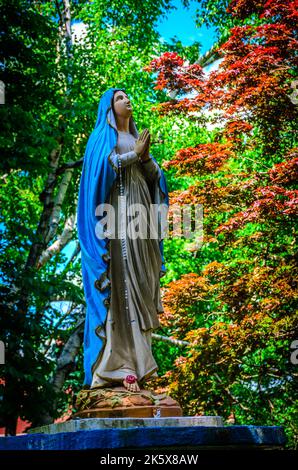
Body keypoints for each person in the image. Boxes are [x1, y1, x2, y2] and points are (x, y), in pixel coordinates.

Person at [77, 88, 169, 393]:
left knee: (141, 284)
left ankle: (141, 362)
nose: (127, 99)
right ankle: (117, 366)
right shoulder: (101, 139)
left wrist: (145, 159)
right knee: (120, 285)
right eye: (119, 97)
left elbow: (156, 178)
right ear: (109, 107)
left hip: (140, 220)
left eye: (128, 96)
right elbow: (100, 172)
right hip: (115, 221)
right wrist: (133, 156)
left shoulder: (136, 138)